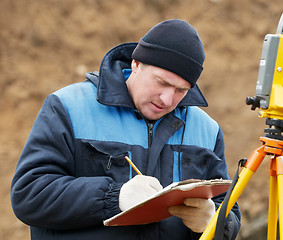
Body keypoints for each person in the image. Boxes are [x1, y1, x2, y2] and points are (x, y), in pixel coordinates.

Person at [11, 19, 241, 240]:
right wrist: (114, 197)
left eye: (181, 90)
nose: (168, 99)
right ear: (136, 64)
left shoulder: (207, 129)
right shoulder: (68, 106)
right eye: (162, 82)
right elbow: (29, 194)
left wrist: (214, 221)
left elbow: (228, 211)